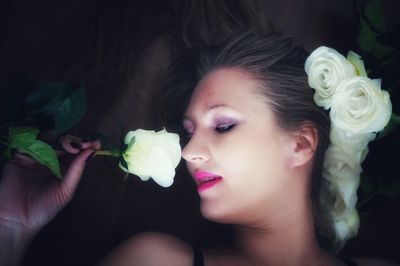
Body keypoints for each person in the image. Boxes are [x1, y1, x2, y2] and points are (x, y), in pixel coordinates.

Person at [0, 31, 397, 266]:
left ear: (300, 143)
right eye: (188, 132)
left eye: (222, 126)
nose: (189, 153)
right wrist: (11, 227)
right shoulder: (154, 261)